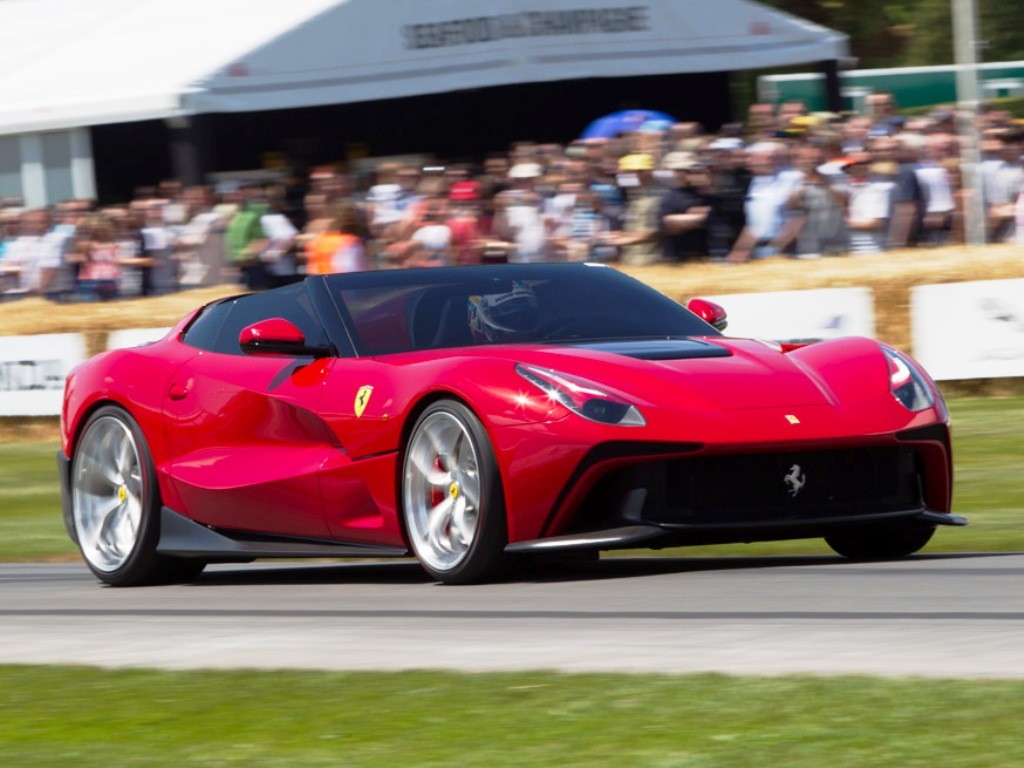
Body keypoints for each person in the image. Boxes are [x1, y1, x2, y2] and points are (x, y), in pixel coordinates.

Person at [657, 151, 711, 262]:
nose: (688, 174)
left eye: (691, 171)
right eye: (683, 171)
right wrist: (702, 217)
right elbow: (668, 224)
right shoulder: (671, 196)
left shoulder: (706, 193)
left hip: (705, 257)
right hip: (678, 258)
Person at [305, 200, 369, 274]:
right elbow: (353, 269)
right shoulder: (350, 242)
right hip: (341, 282)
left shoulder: (317, 241)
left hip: (321, 283)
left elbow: (312, 269)